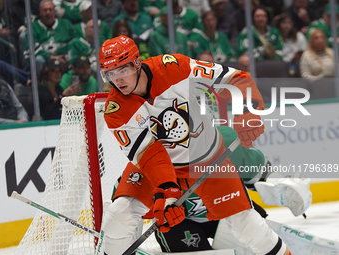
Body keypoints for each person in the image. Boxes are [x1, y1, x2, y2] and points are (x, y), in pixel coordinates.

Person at [98, 35, 292, 255]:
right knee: (118, 216)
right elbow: (149, 154)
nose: (117, 80)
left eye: (122, 70)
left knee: (247, 225)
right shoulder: (115, 110)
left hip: (207, 159)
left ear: (136, 63)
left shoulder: (173, 67)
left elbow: (233, 78)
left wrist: (248, 110)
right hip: (156, 168)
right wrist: (167, 191)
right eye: (110, 73)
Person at [23, 0, 73, 74]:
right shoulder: (33, 27)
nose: (48, 13)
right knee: (38, 59)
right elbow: (31, 48)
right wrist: (50, 57)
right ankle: (40, 83)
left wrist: (68, 55)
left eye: (50, 10)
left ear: (54, 11)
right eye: (45, 10)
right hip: (45, 59)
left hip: (64, 58)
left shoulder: (66, 24)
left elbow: (74, 41)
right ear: (40, 12)